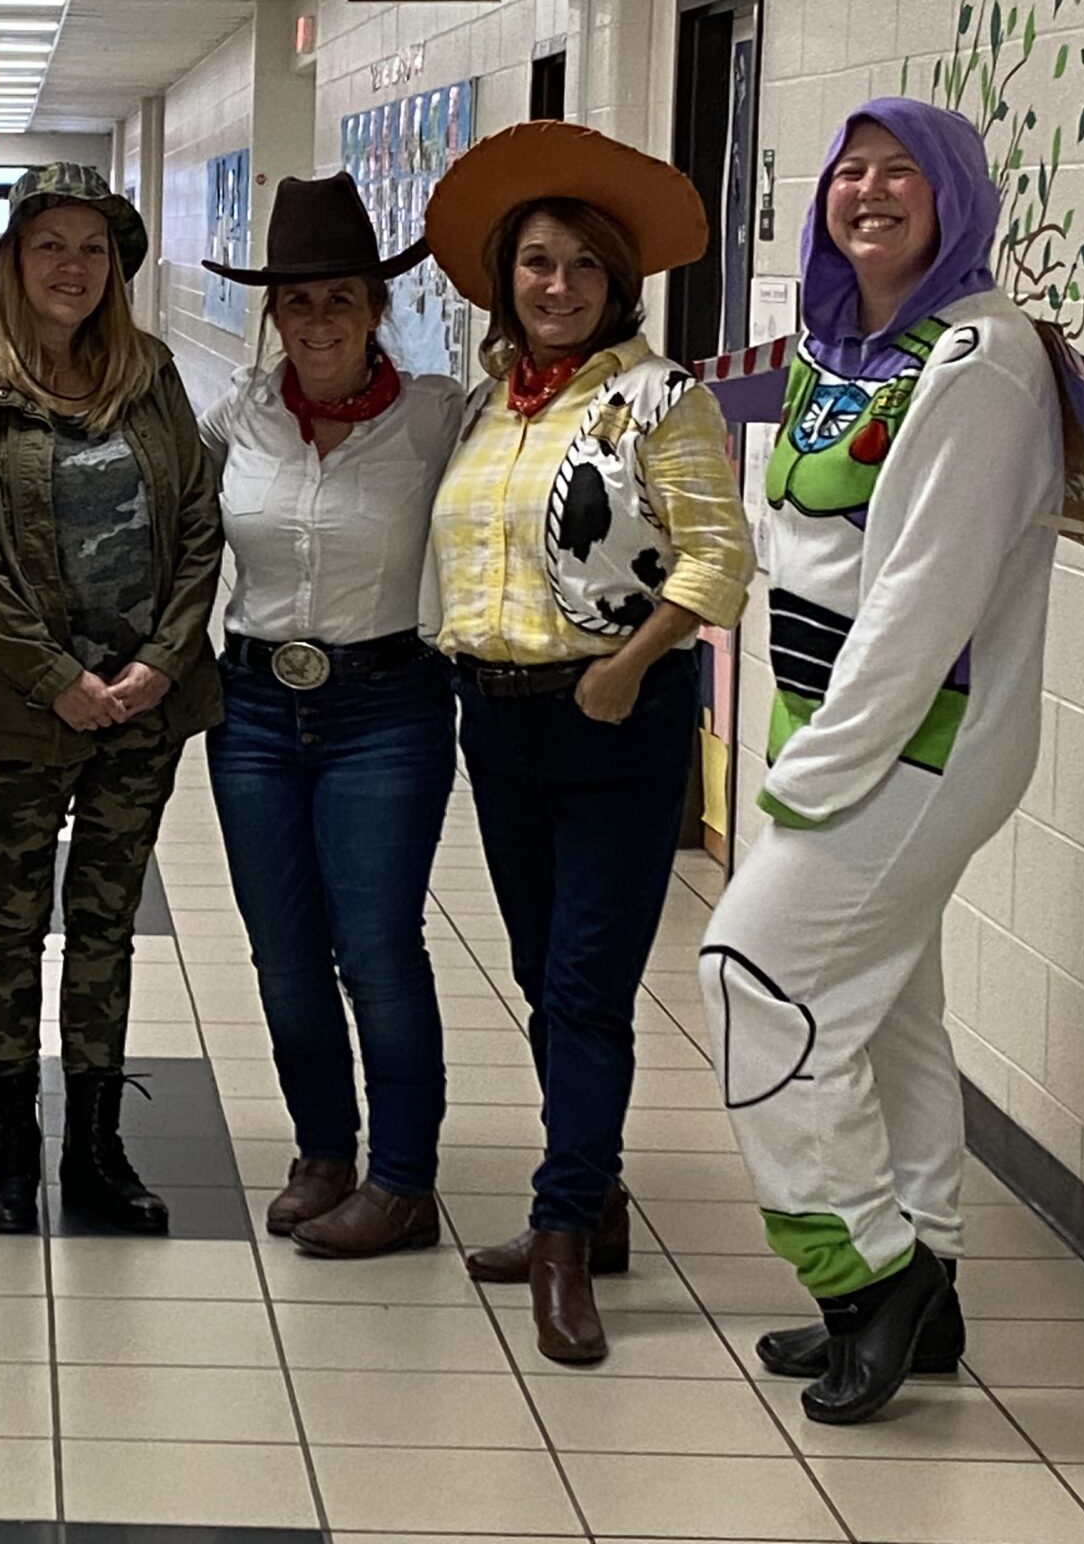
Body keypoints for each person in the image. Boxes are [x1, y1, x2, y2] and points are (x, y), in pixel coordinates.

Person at [699, 99, 1061, 1424]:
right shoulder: (845, 346)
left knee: (750, 981)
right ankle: (935, 1278)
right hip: (826, 726)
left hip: (917, 737)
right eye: (850, 171)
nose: (868, 192)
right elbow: (801, 547)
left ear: (954, 194)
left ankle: (865, 1275)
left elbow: (924, 597)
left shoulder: (980, 358)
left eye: (900, 172)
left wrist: (809, 781)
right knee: (892, 1010)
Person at [422, 122, 755, 1362]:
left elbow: (721, 559)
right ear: (507, 277)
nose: (554, 286)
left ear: (617, 283)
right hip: (496, 723)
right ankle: (595, 1198)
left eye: (579, 267)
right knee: (534, 970)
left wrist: (625, 667)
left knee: (586, 987)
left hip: (613, 718)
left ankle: (563, 1236)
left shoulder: (660, 399)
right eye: (535, 263)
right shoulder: (484, 409)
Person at [0, 164, 224, 1235]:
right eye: (48, 244)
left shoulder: (152, 375)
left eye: (93, 249)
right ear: (10, 260)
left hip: (145, 703)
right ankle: (13, 1152)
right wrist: (57, 678)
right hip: (12, 710)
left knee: (106, 924)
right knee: (10, 922)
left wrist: (159, 664)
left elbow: (196, 524)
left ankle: (97, 1149)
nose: (71, 268)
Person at [197, 175, 465, 1257]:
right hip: (255, 707)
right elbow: (163, 535)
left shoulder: (439, 416)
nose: (317, 321)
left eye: (340, 299)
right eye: (297, 302)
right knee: (283, 951)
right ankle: (323, 1150)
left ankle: (403, 1178)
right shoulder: (237, 416)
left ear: (376, 309)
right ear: (273, 315)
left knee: (378, 947)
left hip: (386, 708)